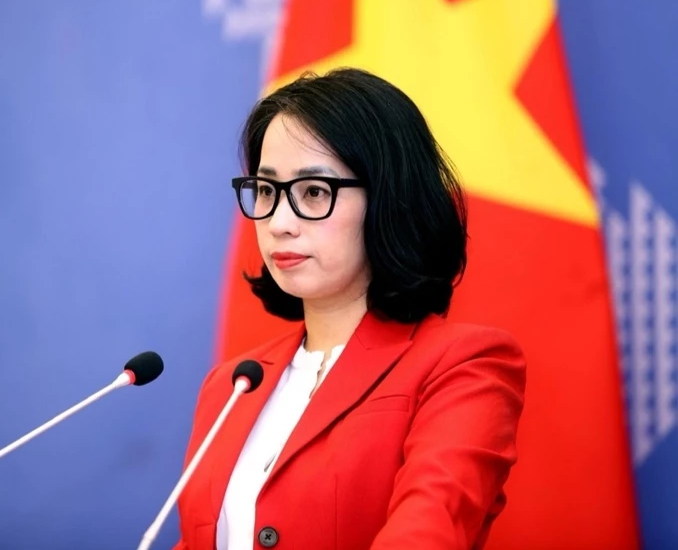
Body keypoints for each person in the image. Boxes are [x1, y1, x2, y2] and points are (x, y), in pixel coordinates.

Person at [173, 68, 526, 550]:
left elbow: (428, 532)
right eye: (267, 191)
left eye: (314, 192)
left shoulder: (464, 366)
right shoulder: (231, 385)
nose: (279, 222)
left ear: (388, 199)